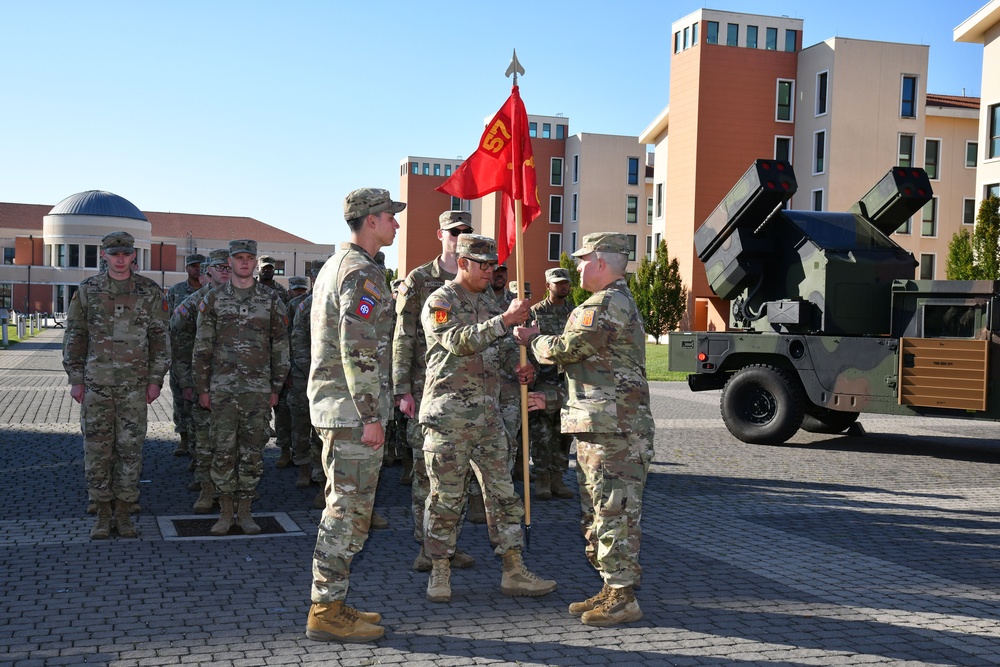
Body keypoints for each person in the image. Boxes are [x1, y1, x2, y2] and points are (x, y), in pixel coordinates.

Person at [515, 232, 654, 627]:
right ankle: (613, 587)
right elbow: (599, 377)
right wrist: (553, 400)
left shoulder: (607, 303)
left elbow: (568, 350)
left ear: (599, 262)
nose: (576, 268)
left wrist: (531, 338)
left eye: (581, 260)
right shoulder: (607, 302)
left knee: (614, 513)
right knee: (600, 512)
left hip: (616, 433)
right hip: (604, 426)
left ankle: (623, 596)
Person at [420, 233, 557, 604]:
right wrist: (503, 321)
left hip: (489, 417)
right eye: (481, 265)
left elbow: (497, 358)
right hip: (449, 419)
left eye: (492, 265)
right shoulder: (441, 300)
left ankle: (513, 568)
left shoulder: (492, 302)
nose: (488, 271)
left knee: (504, 495)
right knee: (447, 497)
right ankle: (440, 570)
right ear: (462, 263)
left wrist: (520, 371)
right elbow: (458, 341)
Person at [305, 188, 401, 643]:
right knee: (348, 512)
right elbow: (357, 348)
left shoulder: (337, 266)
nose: (396, 225)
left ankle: (334, 600)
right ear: (371, 220)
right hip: (351, 412)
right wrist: (371, 414)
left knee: (347, 507)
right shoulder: (360, 272)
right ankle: (325, 609)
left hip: (340, 408)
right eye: (390, 217)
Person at [63, 231, 170, 539]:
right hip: (96, 386)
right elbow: (75, 335)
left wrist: (155, 380)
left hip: (134, 388)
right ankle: (102, 513)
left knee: (130, 450)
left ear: (133, 256)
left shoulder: (149, 292)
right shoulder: (88, 290)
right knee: (97, 451)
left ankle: (123, 513)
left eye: (125, 253)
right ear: (104, 255)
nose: (121, 258)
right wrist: (75, 379)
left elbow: (159, 340)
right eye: (115, 253)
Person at [393, 210, 480, 572]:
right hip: (426, 389)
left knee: (459, 476)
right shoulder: (419, 279)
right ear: (439, 234)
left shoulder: (475, 278)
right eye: (453, 231)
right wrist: (402, 388)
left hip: (468, 391)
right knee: (425, 473)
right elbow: (403, 334)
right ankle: (426, 546)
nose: (459, 235)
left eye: (466, 230)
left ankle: (449, 544)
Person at [192, 239, 290, 536]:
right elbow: (202, 346)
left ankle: (245, 511)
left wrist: (276, 386)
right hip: (222, 388)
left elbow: (281, 345)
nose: (244, 263)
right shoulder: (213, 299)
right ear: (230, 263)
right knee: (222, 451)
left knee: (252, 452)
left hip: (258, 390)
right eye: (239, 258)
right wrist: (202, 388)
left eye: (249, 258)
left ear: (255, 262)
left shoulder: (271, 299)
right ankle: (224, 512)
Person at [169, 248, 231, 512]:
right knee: (204, 440)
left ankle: (234, 492)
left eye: (228, 267)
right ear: (209, 272)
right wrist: (185, 381)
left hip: (238, 384)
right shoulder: (194, 303)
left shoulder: (252, 299)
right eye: (220, 267)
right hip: (203, 382)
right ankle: (207, 489)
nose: (225, 272)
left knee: (236, 442)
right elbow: (178, 341)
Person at [527, 268, 574, 500]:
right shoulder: (535, 313)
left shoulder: (575, 314)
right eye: (558, 283)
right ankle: (543, 479)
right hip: (543, 382)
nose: (562, 286)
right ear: (548, 286)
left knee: (564, 434)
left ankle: (558, 478)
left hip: (568, 384)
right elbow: (526, 347)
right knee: (542, 434)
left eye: (565, 283)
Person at [166, 253, 206, 457]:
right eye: (193, 266)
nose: (197, 269)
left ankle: (199, 443)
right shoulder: (176, 291)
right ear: (187, 268)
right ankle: (184, 438)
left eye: (200, 266)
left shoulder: (212, 292)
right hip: (182, 354)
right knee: (181, 399)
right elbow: (168, 322)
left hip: (204, 356)